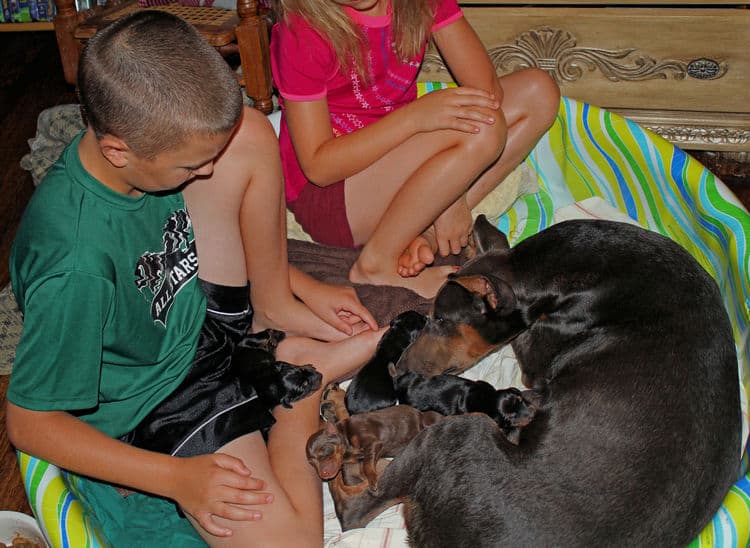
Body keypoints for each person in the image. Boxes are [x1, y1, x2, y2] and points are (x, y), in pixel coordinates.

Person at [6, 11, 384, 547]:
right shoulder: (75, 269)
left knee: (248, 132)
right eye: (189, 170)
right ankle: (298, 383)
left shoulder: (129, 158)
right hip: (160, 391)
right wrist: (176, 480)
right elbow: (30, 423)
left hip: (193, 307)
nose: (205, 176)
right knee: (295, 544)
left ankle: (270, 307)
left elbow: (165, 246)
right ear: (118, 149)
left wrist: (295, 280)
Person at [270, 0, 561, 298]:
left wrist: (453, 195)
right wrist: (412, 119)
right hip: (334, 197)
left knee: (539, 91)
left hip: (399, 160)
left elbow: (487, 94)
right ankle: (376, 263)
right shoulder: (301, 30)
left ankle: (427, 232)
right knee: (486, 130)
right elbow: (319, 166)